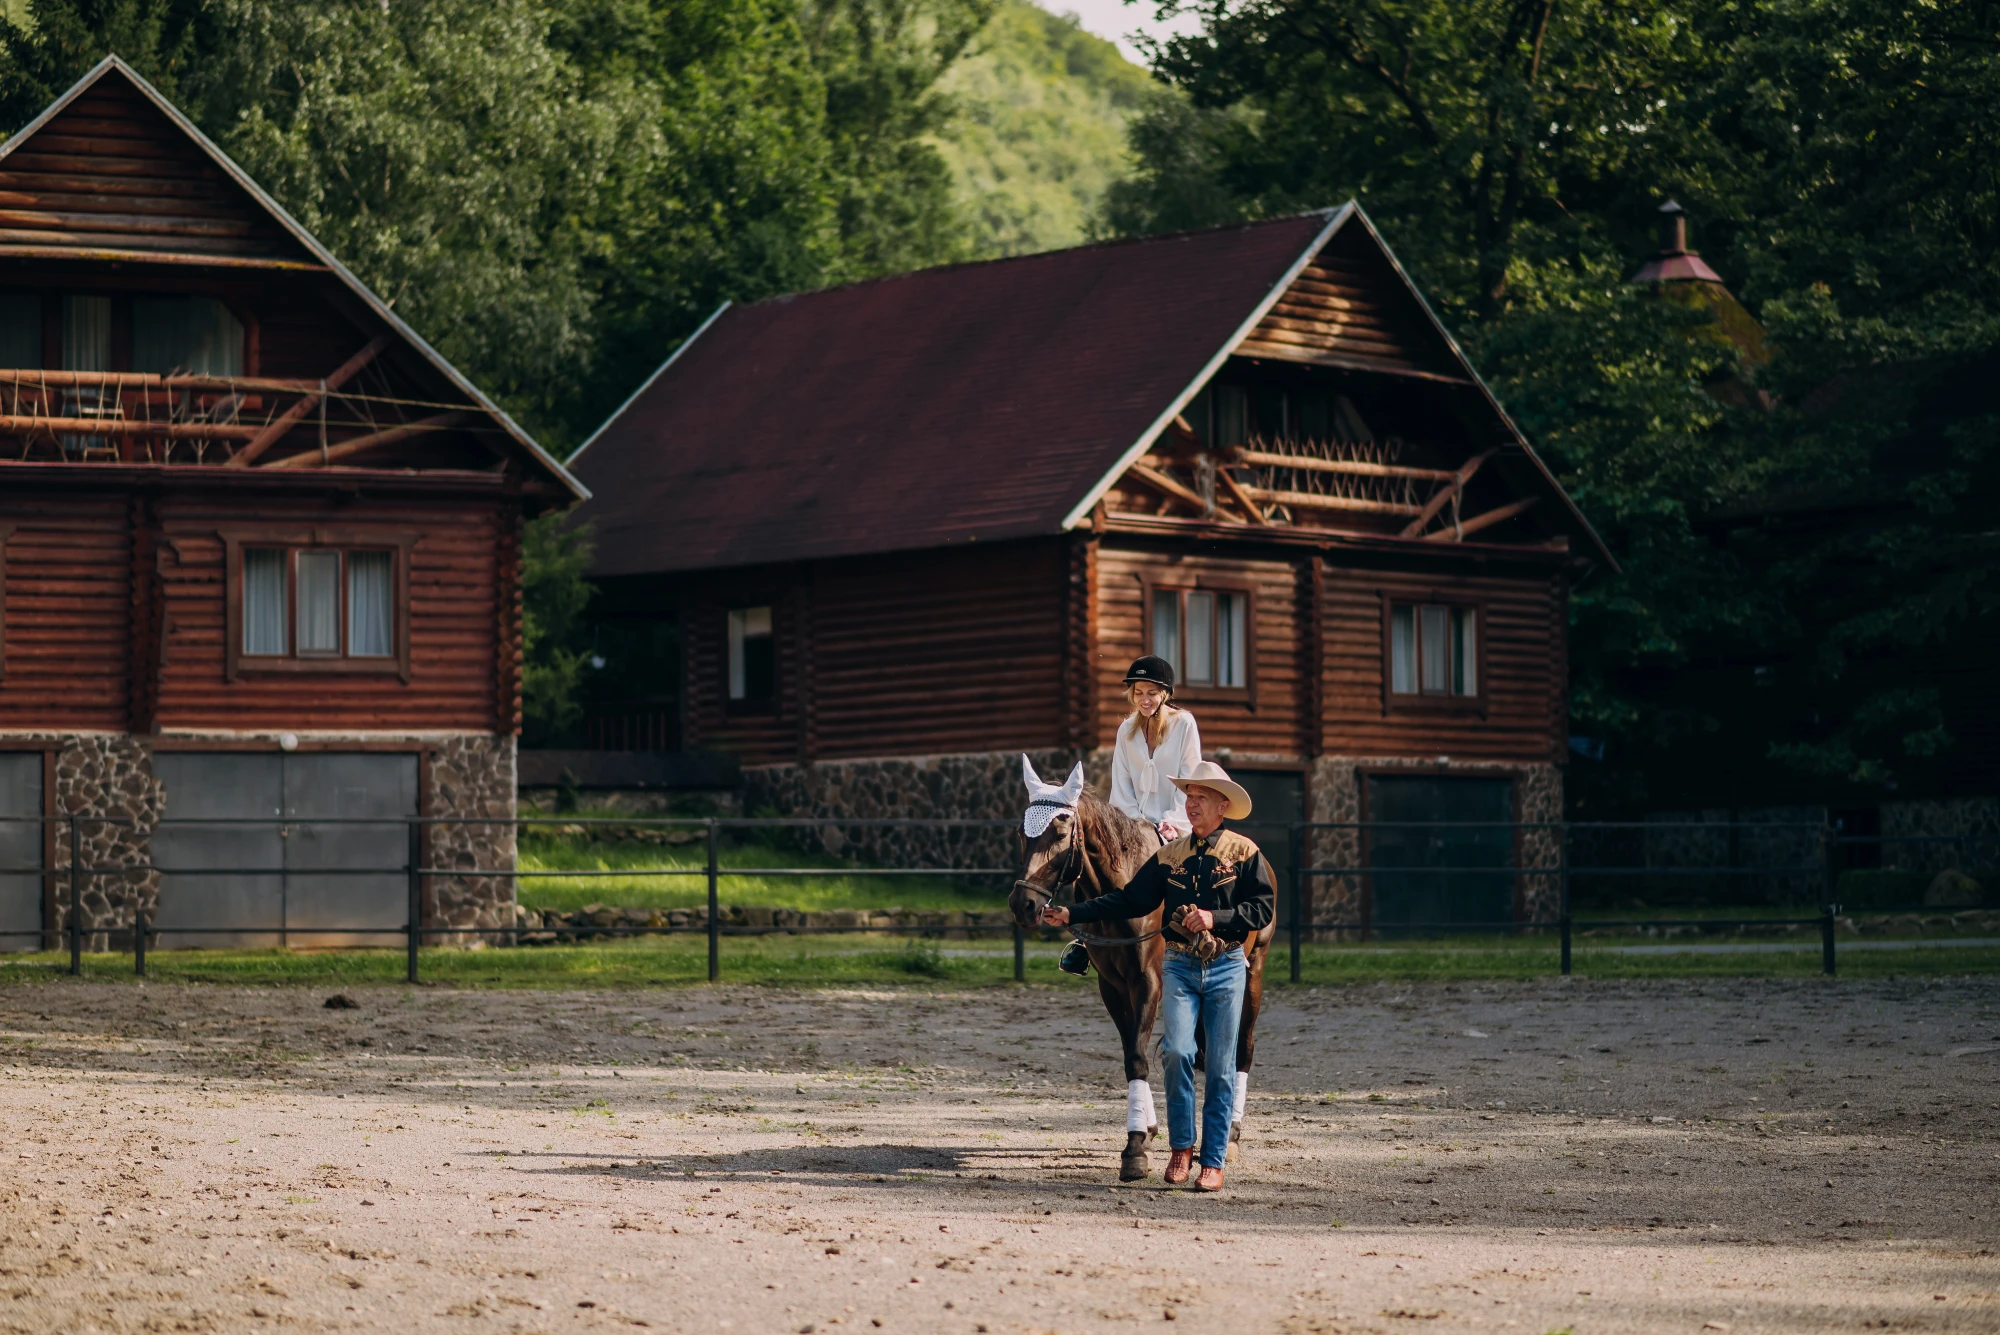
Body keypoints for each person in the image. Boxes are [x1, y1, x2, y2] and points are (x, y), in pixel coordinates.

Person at [1041, 761, 1274, 1192]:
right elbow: (1129, 898)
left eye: (1200, 796)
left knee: (1220, 1068)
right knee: (1178, 1054)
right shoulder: (1169, 856)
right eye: (1189, 794)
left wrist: (1214, 916)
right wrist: (1073, 912)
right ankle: (1182, 1148)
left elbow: (1262, 910)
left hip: (1225, 967)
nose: (1192, 802)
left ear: (1223, 806)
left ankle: (1214, 1158)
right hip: (1181, 966)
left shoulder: (1246, 854)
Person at [1108, 655, 1202, 845]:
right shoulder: (1125, 730)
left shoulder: (1183, 724)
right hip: (1133, 829)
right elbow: (1121, 785)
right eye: (1138, 692)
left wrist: (1172, 823)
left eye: (1152, 693)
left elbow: (1190, 779)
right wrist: (1138, 825)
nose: (1144, 700)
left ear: (1164, 694)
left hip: (1175, 830)